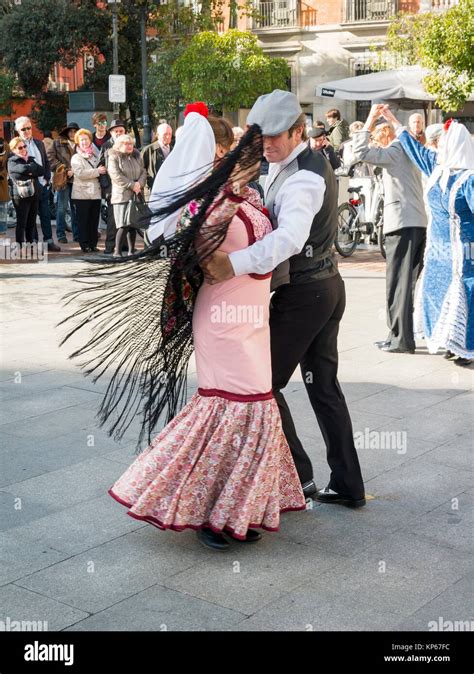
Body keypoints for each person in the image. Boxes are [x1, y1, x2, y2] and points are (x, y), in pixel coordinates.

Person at [60, 105, 306, 550]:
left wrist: (239, 184)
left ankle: (236, 510)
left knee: (254, 405)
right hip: (223, 319)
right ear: (212, 152)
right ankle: (210, 515)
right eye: (226, 146)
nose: (235, 152)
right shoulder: (207, 200)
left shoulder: (242, 193)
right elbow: (205, 233)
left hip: (251, 316)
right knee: (236, 406)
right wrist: (231, 185)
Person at [202, 90, 366, 507]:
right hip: (322, 287)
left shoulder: (306, 176)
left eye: (275, 137)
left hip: (307, 293)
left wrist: (233, 264)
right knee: (323, 387)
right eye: (261, 138)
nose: (267, 145)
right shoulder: (286, 164)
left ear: (300, 131)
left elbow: (289, 239)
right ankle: (348, 484)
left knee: (263, 383)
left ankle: (299, 475)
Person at [382, 108, 474, 367]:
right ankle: (448, 339)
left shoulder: (469, 180)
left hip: (463, 252)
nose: (439, 146)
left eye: (444, 143)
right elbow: (414, 148)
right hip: (437, 250)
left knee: (463, 294)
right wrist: (393, 121)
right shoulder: (437, 168)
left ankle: (464, 346)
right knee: (437, 291)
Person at [352, 104, 428, 354]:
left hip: (403, 223)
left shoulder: (396, 149)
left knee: (398, 283)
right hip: (415, 222)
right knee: (404, 283)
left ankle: (401, 340)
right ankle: (396, 335)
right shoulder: (413, 147)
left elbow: (360, 151)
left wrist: (371, 118)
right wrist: (392, 118)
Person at [14, 116, 60, 251]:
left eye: (29, 128)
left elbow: (45, 162)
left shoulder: (39, 143)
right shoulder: (16, 145)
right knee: (30, 216)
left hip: (43, 185)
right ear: (18, 130)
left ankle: (49, 241)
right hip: (28, 187)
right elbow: (18, 166)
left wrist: (46, 179)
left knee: (45, 214)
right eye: (23, 129)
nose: (27, 131)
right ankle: (33, 241)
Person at [107, 134, 147, 257]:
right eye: (126, 144)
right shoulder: (114, 156)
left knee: (133, 224)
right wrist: (131, 184)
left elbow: (143, 171)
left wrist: (139, 184)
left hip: (136, 194)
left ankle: (131, 250)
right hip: (121, 195)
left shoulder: (136, 155)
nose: (130, 146)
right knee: (123, 224)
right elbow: (115, 175)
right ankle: (117, 251)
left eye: (131, 143)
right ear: (119, 145)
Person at [70, 128, 107, 253]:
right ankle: (84, 244)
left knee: (93, 220)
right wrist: (97, 171)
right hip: (81, 194)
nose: (84, 142)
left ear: (90, 141)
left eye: (86, 139)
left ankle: (93, 244)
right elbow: (80, 173)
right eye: (81, 140)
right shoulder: (76, 157)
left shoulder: (95, 155)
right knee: (83, 221)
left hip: (95, 193)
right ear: (77, 142)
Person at [7, 136, 44, 246]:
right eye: (20, 148)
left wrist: (29, 170)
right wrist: (32, 169)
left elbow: (41, 170)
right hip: (21, 196)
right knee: (22, 222)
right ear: (13, 150)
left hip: (34, 194)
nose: (23, 149)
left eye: (24, 146)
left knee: (31, 222)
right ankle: (20, 244)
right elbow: (22, 170)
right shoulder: (12, 161)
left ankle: (30, 242)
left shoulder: (30, 159)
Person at [97, 119, 127, 254]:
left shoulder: (129, 144)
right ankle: (110, 245)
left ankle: (125, 245)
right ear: (111, 133)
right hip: (112, 188)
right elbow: (100, 167)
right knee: (112, 218)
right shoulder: (106, 146)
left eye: (121, 131)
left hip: (127, 188)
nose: (119, 133)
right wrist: (106, 188)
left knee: (127, 217)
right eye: (116, 131)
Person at [47, 122, 79, 244]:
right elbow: (49, 157)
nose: (73, 133)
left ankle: (77, 234)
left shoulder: (81, 143)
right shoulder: (57, 142)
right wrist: (64, 169)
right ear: (66, 132)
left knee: (76, 208)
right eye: (71, 131)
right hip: (63, 179)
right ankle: (60, 235)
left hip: (77, 179)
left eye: (75, 131)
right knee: (62, 207)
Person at [140, 122, 173, 197]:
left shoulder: (175, 150)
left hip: (170, 191)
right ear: (158, 135)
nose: (168, 137)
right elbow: (140, 171)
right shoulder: (148, 150)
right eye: (165, 134)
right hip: (153, 192)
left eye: (170, 134)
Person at [0, 137, 9, 234]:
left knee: (1, 209)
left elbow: (6, 164)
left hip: (1, 182)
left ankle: (2, 230)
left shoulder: (4, 145)